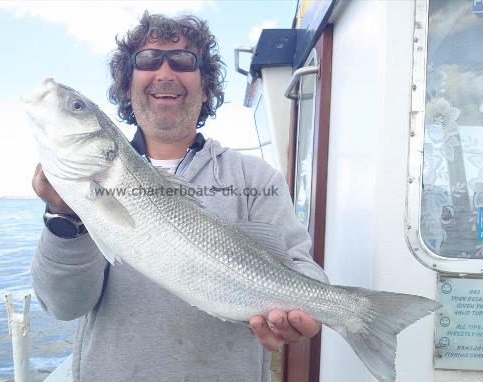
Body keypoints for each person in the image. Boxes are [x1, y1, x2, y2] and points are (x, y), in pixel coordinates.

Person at [31, 12, 328, 382]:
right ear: (127, 85)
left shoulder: (256, 178)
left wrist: (320, 307)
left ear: (206, 87)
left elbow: (299, 268)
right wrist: (66, 219)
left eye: (184, 61)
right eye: (148, 60)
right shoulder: (83, 188)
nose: (165, 72)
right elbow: (64, 305)